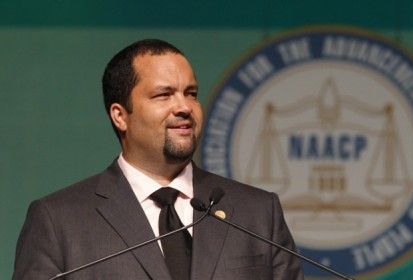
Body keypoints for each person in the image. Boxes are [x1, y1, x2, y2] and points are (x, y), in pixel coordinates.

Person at [13, 39, 304, 280]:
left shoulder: (258, 213)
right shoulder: (58, 221)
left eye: (191, 93)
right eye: (163, 95)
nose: (184, 107)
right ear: (120, 115)